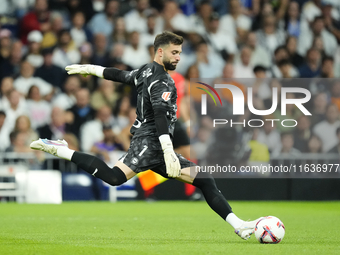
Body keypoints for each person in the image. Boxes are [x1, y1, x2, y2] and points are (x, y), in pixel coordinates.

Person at [30, 31, 262, 240]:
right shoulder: (163, 80)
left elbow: (119, 75)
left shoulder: (144, 70)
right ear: (160, 52)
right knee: (114, 178)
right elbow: (160, 116)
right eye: (174, 52)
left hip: (155, 144)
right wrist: (169, 150)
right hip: (150, 143)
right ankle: (60, 148)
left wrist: (91, 69)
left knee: (205, 180)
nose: (178, 57)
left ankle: (239, 225)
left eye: (180, 52)